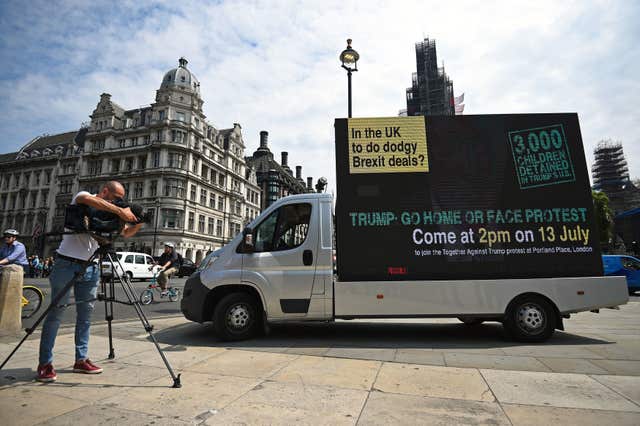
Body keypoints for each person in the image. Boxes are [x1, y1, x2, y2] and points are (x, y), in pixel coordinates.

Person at [37, 181, 142, 383]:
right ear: (104, 191)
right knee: (56, 314)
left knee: (85, 316)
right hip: (66, 263)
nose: (119, 203)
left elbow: (126, 233)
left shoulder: (108, 215)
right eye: (116, 199)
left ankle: (81, 359)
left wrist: (138, 221)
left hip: (91, 266)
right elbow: (88, 200)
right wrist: (121, 211)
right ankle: (45, 363)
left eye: (120, 201)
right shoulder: (84, 197)